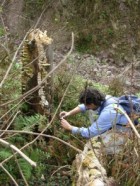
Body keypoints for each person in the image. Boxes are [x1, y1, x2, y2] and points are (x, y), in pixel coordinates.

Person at [59, 87, 131, 139]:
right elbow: (84, 107)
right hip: (113, 124)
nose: (86, 106)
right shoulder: (104, 99)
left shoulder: (109, 112)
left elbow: (90, 133)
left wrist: (70, 127)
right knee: (91, 111)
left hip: (124, 132)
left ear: (92, 103)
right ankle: (99, 129)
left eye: (87, 105)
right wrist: (69, 113)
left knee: (96, 146)